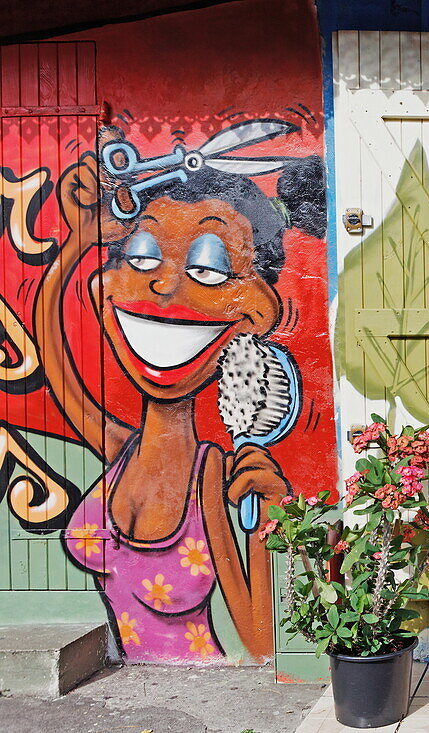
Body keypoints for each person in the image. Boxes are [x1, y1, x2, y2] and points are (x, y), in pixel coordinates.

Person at [36, 131, 324, 663]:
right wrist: (79, 241)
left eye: (209, 268)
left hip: (205, 678)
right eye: (142, 256)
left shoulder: (211, 478)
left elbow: (261, 643)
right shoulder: (119, 450)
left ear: (259, 309)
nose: (166, 285)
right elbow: (53, 353)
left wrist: (268, 526)